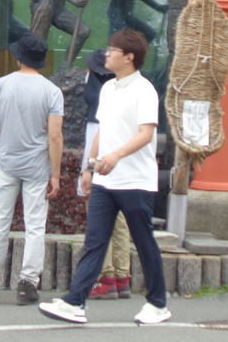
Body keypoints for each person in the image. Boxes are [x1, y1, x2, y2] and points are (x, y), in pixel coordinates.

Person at [39, 29, 171, 326]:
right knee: (95, 241)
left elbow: (146, 134)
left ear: (129, 57)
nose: (106, 54)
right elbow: (101, 131)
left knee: (144, 241)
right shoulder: (109, 88)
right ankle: (75, 302)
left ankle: (158, 304)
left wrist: (116, 156)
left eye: (113, 50)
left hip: (135, 181)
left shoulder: (145, 90)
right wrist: (88, 168)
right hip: (104, 180)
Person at [0, 32, 64, 306]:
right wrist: (56, 174)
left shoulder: (1, 85)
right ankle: (27, 284)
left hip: (6, 163)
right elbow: (55, 136)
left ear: (18, 57)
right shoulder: (52, 92)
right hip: (38, 168)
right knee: (35, 226)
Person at [78, 48, 132, 300]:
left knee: (98, 211)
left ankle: (106, 276)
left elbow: (98, 137)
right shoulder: (124, 88)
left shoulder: (101, 89)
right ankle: (122, 276)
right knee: (118, 214)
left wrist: (89, 168)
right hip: (120, 151)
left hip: (99, 145)